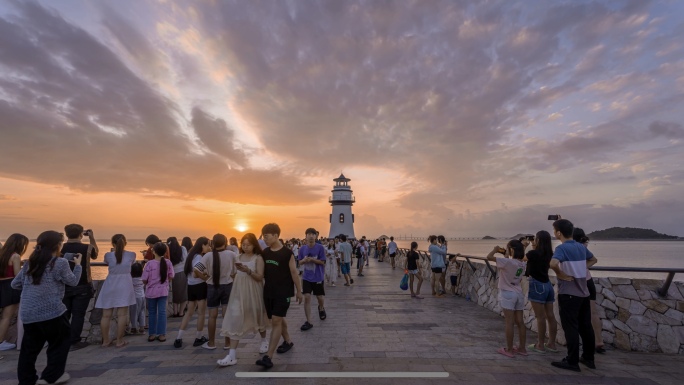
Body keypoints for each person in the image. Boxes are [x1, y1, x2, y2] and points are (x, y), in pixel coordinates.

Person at [12, 231, 82, 385]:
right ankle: (50, 377)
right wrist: (78, 266)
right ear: (57, 245)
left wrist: (32, 289)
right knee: (60, 342)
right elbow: (73, 282)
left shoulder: (30, 263)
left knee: (29, 351)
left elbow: (15, 284)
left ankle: (26, 380)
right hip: (52, 312)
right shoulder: (60, 262)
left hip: (29, 313)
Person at [549, 219, 597, 372]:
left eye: (554, 230)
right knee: (586, 326)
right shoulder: (581, 247)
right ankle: (588, 358)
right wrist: (581, 269)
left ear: (558, 233)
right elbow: (594, 259)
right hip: (584, 293)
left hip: (569, 294)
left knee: (571, 327)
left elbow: (553, 264)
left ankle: (572, 361)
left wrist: (561, 275)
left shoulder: (561, 248)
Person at [256, 223, 303, 369]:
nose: (265, 239)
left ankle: (268, 357)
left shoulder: (287, 253)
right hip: (268, 292)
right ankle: (288, 341)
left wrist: (299, 291)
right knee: (278, 318)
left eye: (267, 236)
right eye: (264, 237)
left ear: (276, 236)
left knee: (276, 320)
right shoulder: (265, 253)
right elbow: (260, 273)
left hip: (284, 292)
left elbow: (294, 273)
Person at [217, 233, 269, 366]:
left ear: (254, 245)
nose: (245, 247)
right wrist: (235, 273)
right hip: (238, 293)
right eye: (243, 244)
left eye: (248, 245)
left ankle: (264, 340)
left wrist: (248, 271)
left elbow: (260, 277)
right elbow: (235, 275)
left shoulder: (258, 258)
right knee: (235, 320)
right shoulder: (238, 257)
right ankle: (232, 355)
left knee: (258, 316)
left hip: (254, 291)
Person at [193, 234, 236, 350]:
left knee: (212, 316)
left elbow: (196, 271)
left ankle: (211, 343)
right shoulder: (231, 254)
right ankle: (227, 343)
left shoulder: (207, 256)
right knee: (226, 316)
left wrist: (206, 278)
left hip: (212, 287)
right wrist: (232, 276)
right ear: (225, 242)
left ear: (212, 244)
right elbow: (238, 269)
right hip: (227, 286)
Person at [60, 224, 98, 351]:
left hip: (64, 286)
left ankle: (63, 340)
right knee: (78, 315)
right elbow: (95, 254)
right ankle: (74, 341)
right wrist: (92, 238)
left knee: (65, 314)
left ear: (66, 234)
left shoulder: (60, 248)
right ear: (81, 234)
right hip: (82, 285)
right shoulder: (86, 248)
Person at [487, 240, 527, 358]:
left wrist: (495, 249)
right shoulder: (522, 264)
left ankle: (509, 349)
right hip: (518, 293)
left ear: (512, 250)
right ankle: (522, 348)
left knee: (509, 322)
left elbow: (489, 257)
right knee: (520, 322)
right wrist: (506, 256)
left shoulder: (507, 262)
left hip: (507, 294)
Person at [95, 234, 136, 348]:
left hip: (110, 284)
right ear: (125, 242)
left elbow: (108, 261)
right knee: (122, 314)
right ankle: (119, 340)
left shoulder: (108, 255)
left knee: (106, 315)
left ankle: (106, 341)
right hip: (124, 285)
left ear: (112, 243)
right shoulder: (132, 255)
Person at [525, 230, 559, 354]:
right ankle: (552, 344)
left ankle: (540, 344)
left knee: (540, 317)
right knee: (550, 316)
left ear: (538, 240)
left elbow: (520, 259)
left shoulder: (532, 253)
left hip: (537, 284)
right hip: (547, 284)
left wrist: (527, 246)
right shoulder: (550, 254)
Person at [174, 237, 211, 348]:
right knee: (201, 313)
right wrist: (207, 279)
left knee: (189, 313)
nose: (209, 247)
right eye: (207, 245)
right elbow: (196, 272)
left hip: (191, 286)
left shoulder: (191, 255)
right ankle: (198, 338)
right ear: (202, 245)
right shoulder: (199, 257)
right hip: (200, 286)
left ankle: (178, 338)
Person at [573, 228, 604, 354]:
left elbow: (594, 259)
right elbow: (594, 260)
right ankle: (599, 341)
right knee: (593, 313)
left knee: (579, 314)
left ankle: (582, 344)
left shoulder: (575, 247)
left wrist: (579, 268)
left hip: (581, 282)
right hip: (589, 280)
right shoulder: (583, 246)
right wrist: (584, 267)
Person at [0, 233, 29, 351]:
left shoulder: (2, 254)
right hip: (10, 286)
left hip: (1, 284)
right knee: (6, 317)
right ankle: (1, 342)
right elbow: (18, 275)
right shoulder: (15, 256)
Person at [142, 242, 174, 342]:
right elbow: (171, 276)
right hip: (163, 291)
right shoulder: (168, 262)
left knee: (152, 313)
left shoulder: (149, 264)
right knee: (162, 312)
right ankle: (162, 334)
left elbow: (144, 279)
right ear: (165, 252)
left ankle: (152, 334)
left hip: (151, 292)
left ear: (154, 251)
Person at [298, 228, 327, 331]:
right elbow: (299, 262)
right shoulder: (302, 249)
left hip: (318, 277)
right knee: (307, 297)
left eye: (313, 234)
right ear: (305, 236)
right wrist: (304, 260)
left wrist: (313, 260)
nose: (311, 236)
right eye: (308, 234)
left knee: (320, 297)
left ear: (316, 236)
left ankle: (321, 308)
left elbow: (323, 262)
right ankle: (309, 321)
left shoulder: (320, 248)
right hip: (306, 277)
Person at [168, 237, 188, 318]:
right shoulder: (182, 249)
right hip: (182, 272)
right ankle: (181, 312)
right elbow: (186, 260)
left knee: (175, 294)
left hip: (172, 274)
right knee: (183, 293)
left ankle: (175, 312)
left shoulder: (168, 250)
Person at [128, 263, 146, 335]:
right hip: (142, 297)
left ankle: (134, 328)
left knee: (134, 313)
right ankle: (142, 328)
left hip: (135, 298)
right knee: (142, 312)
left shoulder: (131, 280)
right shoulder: (142, 279)